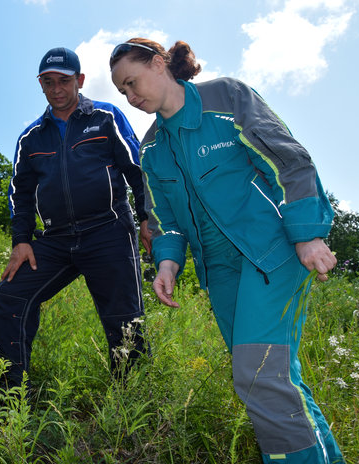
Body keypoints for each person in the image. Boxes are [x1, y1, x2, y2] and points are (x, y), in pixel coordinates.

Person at [109, 38, 344, 463]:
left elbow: (286, 160)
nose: (130, 95)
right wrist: (166, 262)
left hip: (271, 253)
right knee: (274, 379)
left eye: (132, 81)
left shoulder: (226, 98)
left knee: (258, 377)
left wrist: (308, 232)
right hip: (220, 272)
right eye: (122, 91)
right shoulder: (151, 148)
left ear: (159, 63)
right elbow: (164, 218)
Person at [0, 47, 151, 390]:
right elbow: (19, 193)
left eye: (63, 81)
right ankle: (12, 396)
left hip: (109, 231)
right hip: (56, 239)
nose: (56, 89)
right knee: (9, 297)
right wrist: (21, 241)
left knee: (124, 321)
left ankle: (132, 401)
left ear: (79, 80)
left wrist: (147, 218)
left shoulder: (106, 117)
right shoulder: (31, 138)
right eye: (48, 82)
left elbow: (136, 169)